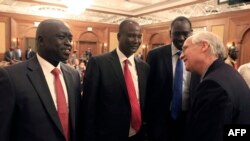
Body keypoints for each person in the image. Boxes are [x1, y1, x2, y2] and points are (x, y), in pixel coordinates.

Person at [0, 19, 82, 141]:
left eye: (70, 39)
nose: (68, 43)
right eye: (61, 37)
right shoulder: (11, 76)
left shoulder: (74, 75)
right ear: (40, 41)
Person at [82, 19, 149, 141]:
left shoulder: (144, 67)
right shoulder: (98, 63)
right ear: (119, 36)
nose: (136, 41)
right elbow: (89, 107)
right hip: (108, 135)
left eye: (139, 36)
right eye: (131, 36)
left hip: (138, 134)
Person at [180, 31, 250, 141]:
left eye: (185, 49)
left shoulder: (213, 85)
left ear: (204, 46)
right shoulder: (227, 73)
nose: (181, 56)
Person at [146, 16, 200, 141]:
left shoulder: (199, 56)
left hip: (189, 118)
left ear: (191, 33)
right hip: (161, 120)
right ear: (170, 34)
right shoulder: (155, 56)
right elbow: (149, 89)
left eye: (185, 34)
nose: (181, 38)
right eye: (177, 34)